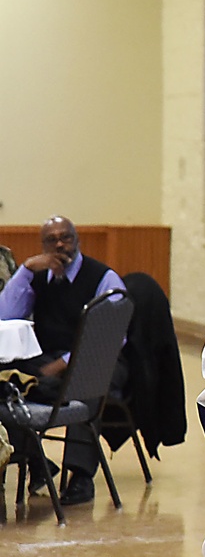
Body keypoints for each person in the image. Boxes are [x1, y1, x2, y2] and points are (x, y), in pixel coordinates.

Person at [0, 215, 127, 505]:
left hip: (100, 359)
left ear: (76, 239)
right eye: (51, 240)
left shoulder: (102, 277)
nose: (59, 244)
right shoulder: (39, 277)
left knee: (86, 378)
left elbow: (110, 336)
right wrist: (26, 270)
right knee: (7, 377)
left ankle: (81, 477)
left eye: (65, 237)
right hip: (47, 359)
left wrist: (65, 363)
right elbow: (4, 316)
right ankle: (34, 458)